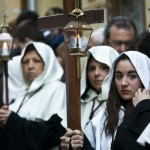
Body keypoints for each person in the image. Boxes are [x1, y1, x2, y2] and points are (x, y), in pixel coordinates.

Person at [60, 51, 150, 150]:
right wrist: (79, 144)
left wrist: (144, 107)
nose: (123, 83)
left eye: (132, 76)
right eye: (119, 76)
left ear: (145, 77)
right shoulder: (103, 117)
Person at [0, 42, 66, 150]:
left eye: (36, 61)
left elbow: (52, 131)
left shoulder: (57, 89)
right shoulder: (25, 94)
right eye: (25, 62)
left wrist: (12, 119)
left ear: (48, 63)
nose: (30, 66)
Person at [80, 46, 119, 129]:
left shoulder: (122, 103)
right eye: (92, 68)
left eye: (104, 67)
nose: (96, 73)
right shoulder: (83, 101)